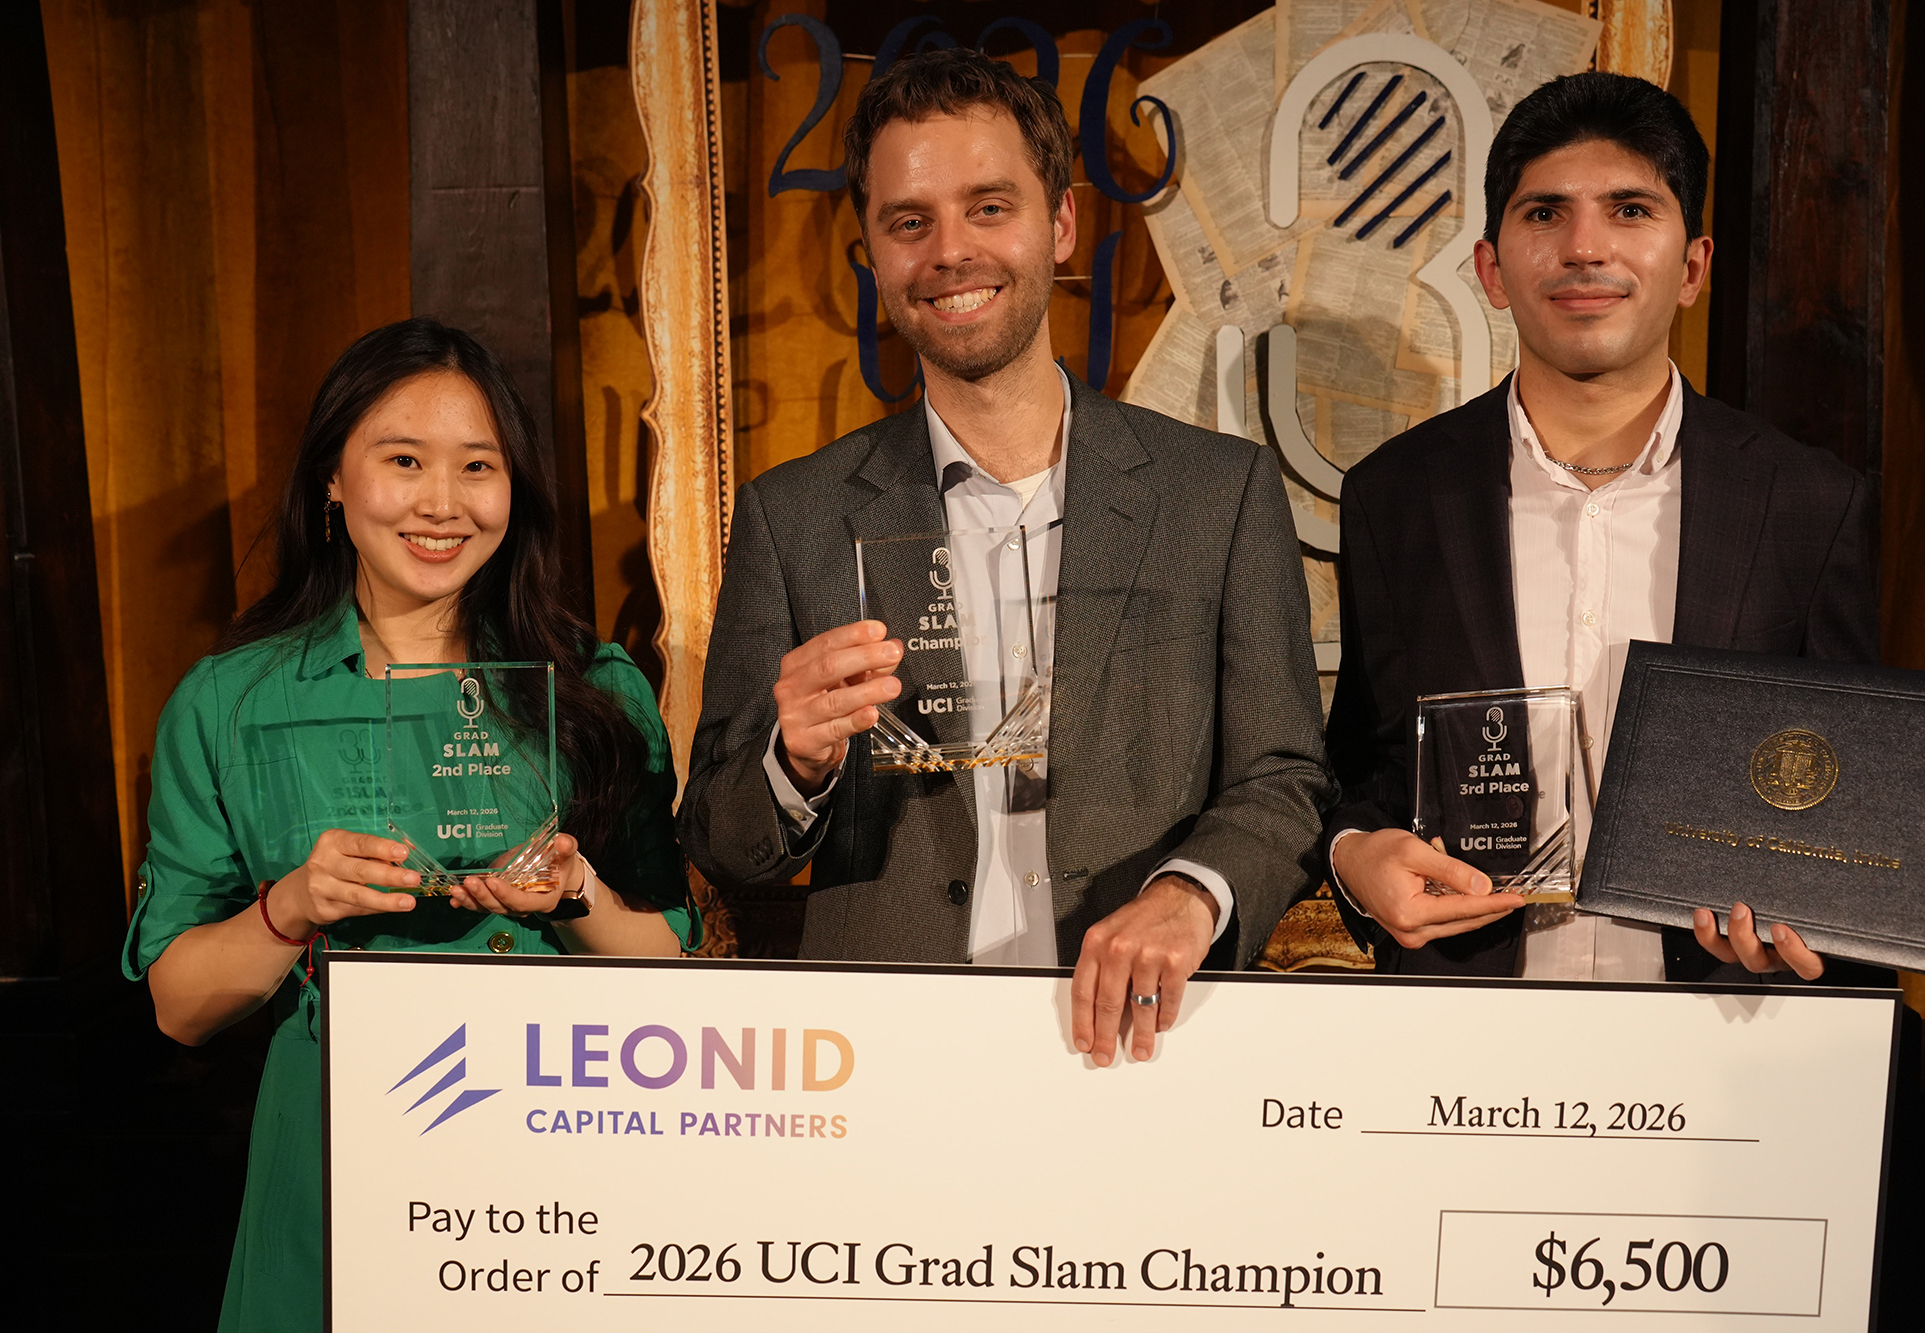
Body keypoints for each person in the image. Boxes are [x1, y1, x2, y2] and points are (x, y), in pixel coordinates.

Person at [680, 49, 1329, 1065]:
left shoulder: (1217, 492)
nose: (949, 251)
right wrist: (792, 760)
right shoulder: (791, 516)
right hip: (880, 1060)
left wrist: (1189, 892)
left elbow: (1282, 776)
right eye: (910, 221)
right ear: (872, 251)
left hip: (1145, 1047)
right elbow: (720, 845)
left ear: (1060, 222)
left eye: (988, 207)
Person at [126, 319, 697, 1331]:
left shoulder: (596, 688)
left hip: (561, 1155)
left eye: (477, 466)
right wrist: (289, 907)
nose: (443, 503)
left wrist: (575, 893)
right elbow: (180, 1005)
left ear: (512, 489)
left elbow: (675, 970)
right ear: (333, 481)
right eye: (403, 461)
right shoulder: (230, 701)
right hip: (336, 1149)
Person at [1322, 71, 1880, 982]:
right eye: (1544, 214)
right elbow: (1367, 764)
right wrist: (1355, 855)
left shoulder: (1807, 504)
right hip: (1465, 1031)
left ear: (1694, 265)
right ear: (1492, 269)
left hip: (1725, 1032)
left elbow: (1847, 789)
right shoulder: (1397, 494)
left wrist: (1808, 907)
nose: (1585, 249)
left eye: (1628, 210)